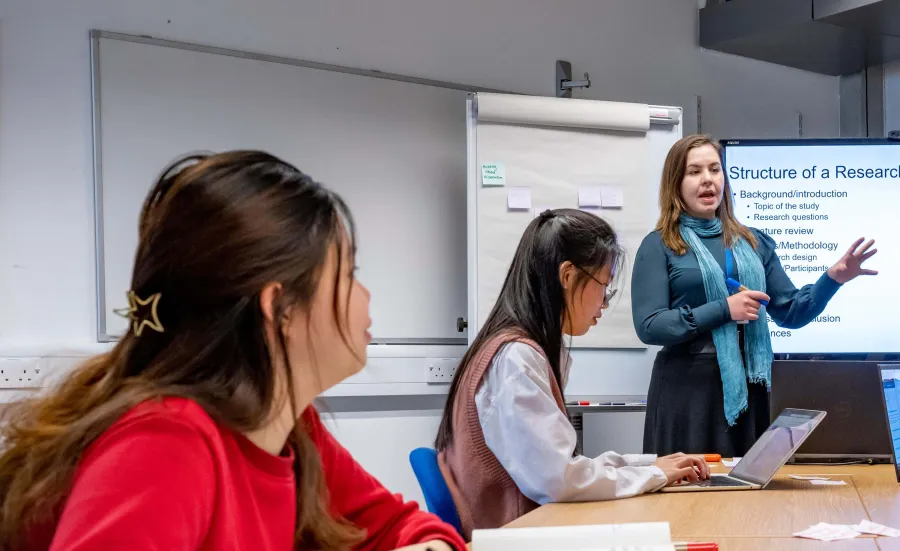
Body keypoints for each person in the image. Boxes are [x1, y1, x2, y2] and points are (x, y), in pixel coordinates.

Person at [0, 152, 465, 551]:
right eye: (348, 274)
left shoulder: (287, 426)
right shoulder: (168, 442)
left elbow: (397, 525)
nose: (364, 294)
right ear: (280, 308)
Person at [434, 208, 709, 539]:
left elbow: (561, 467)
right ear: (567, 276)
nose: (604, 304)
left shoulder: (517, 348)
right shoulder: (515, 359)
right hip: (518, 537)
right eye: (603, 286)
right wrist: (652, 474)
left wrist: (648, 465)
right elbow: (560, 479)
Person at [633, 134, 877, 458]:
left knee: (749, 497)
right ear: (675, 182)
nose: (707, 179)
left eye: (714, 169)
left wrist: (833, 279)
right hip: (687, 394)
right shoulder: (659, 245)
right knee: (687, 498)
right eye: (694, 172)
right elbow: (650, 326)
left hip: (752, 388)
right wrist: (724, 309)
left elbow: (791, 312)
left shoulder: (753, 242)